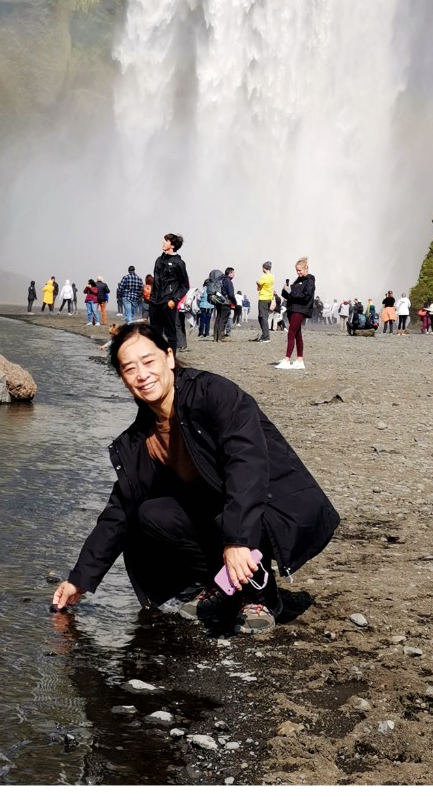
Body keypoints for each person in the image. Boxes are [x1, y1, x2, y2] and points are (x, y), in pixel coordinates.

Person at [49, 320, 340, 635]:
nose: (142, 375)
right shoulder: (138, 439)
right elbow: (119, 511)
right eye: (130, 368)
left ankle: (261, 594)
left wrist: (237, 539)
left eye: (148, 361)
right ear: (123, 378)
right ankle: (222, 583)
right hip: (219, 513)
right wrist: (79, 579)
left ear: (169, 358)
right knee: (149, 514)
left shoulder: (214, 394)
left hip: (274, 502)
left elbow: (247, 465)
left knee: (229, 506)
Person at [274, 258, 315, 370]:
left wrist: (292, 293)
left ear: (306, 268)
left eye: (300, 270)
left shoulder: (310, 281)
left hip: (300, 309)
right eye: (297, 270)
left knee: (291, 333)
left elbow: (306, 297)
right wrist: (285, 290)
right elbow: (289, 296)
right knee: (297, 334)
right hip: (292, 308)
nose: (298, 272)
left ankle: (287, 360)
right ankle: (299, 360)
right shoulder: (297, 281)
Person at [255, 263, 275, 341]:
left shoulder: (264, 277)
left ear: (264, 268)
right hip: (269, 298)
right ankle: (265, 334)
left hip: (263, 298)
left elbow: (259, 286)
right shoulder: (272, 276)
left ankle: (266, 336)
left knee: (262, 317)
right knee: (263, 317)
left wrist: (257, 283)